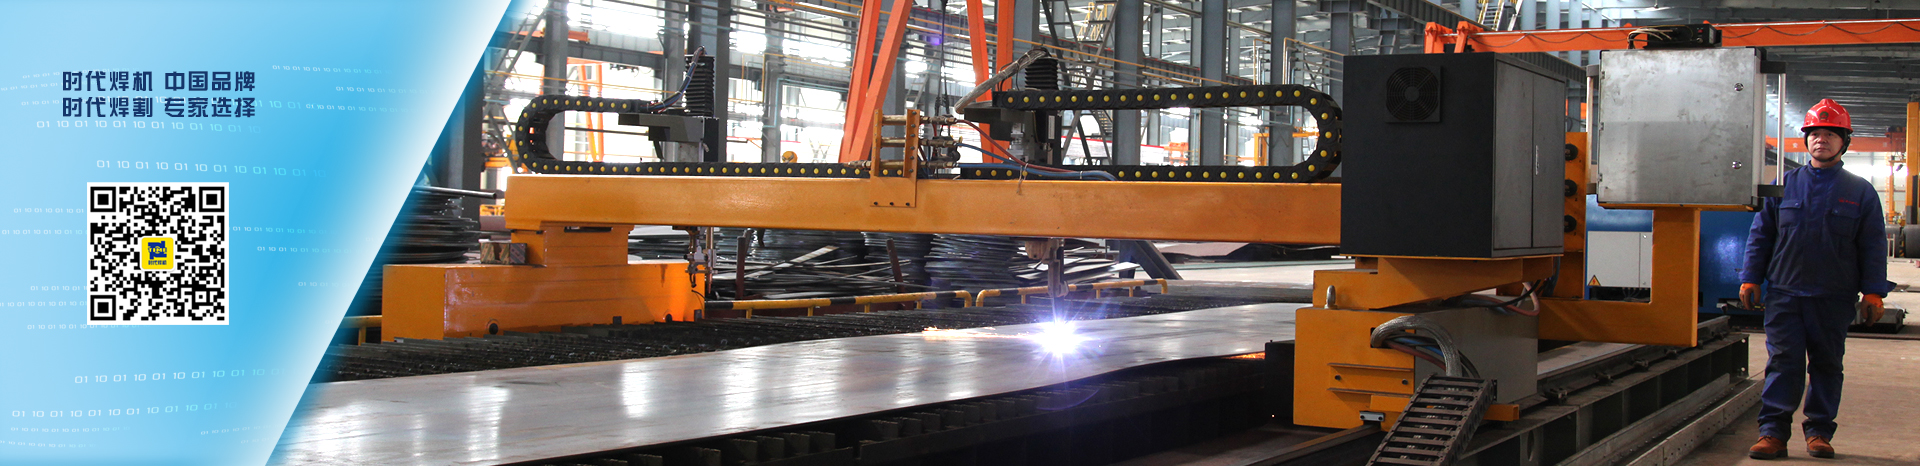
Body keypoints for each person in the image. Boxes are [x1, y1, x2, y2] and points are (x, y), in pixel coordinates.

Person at [1740, 98, 1891, 460]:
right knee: (1783, 363)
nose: (1821, 140)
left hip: (1833, 297)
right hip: (1785, 294)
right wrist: (1750, 277)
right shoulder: (1782, 186)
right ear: (1807, 140)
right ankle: (1773, 433)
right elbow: (1761, 235)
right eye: (1815, 134)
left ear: (1844, 142)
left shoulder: (1860, 192)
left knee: (1827, 365)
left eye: (1830, 134)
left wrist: (1873, 292)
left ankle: (1819, 432)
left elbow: (1872, 246)